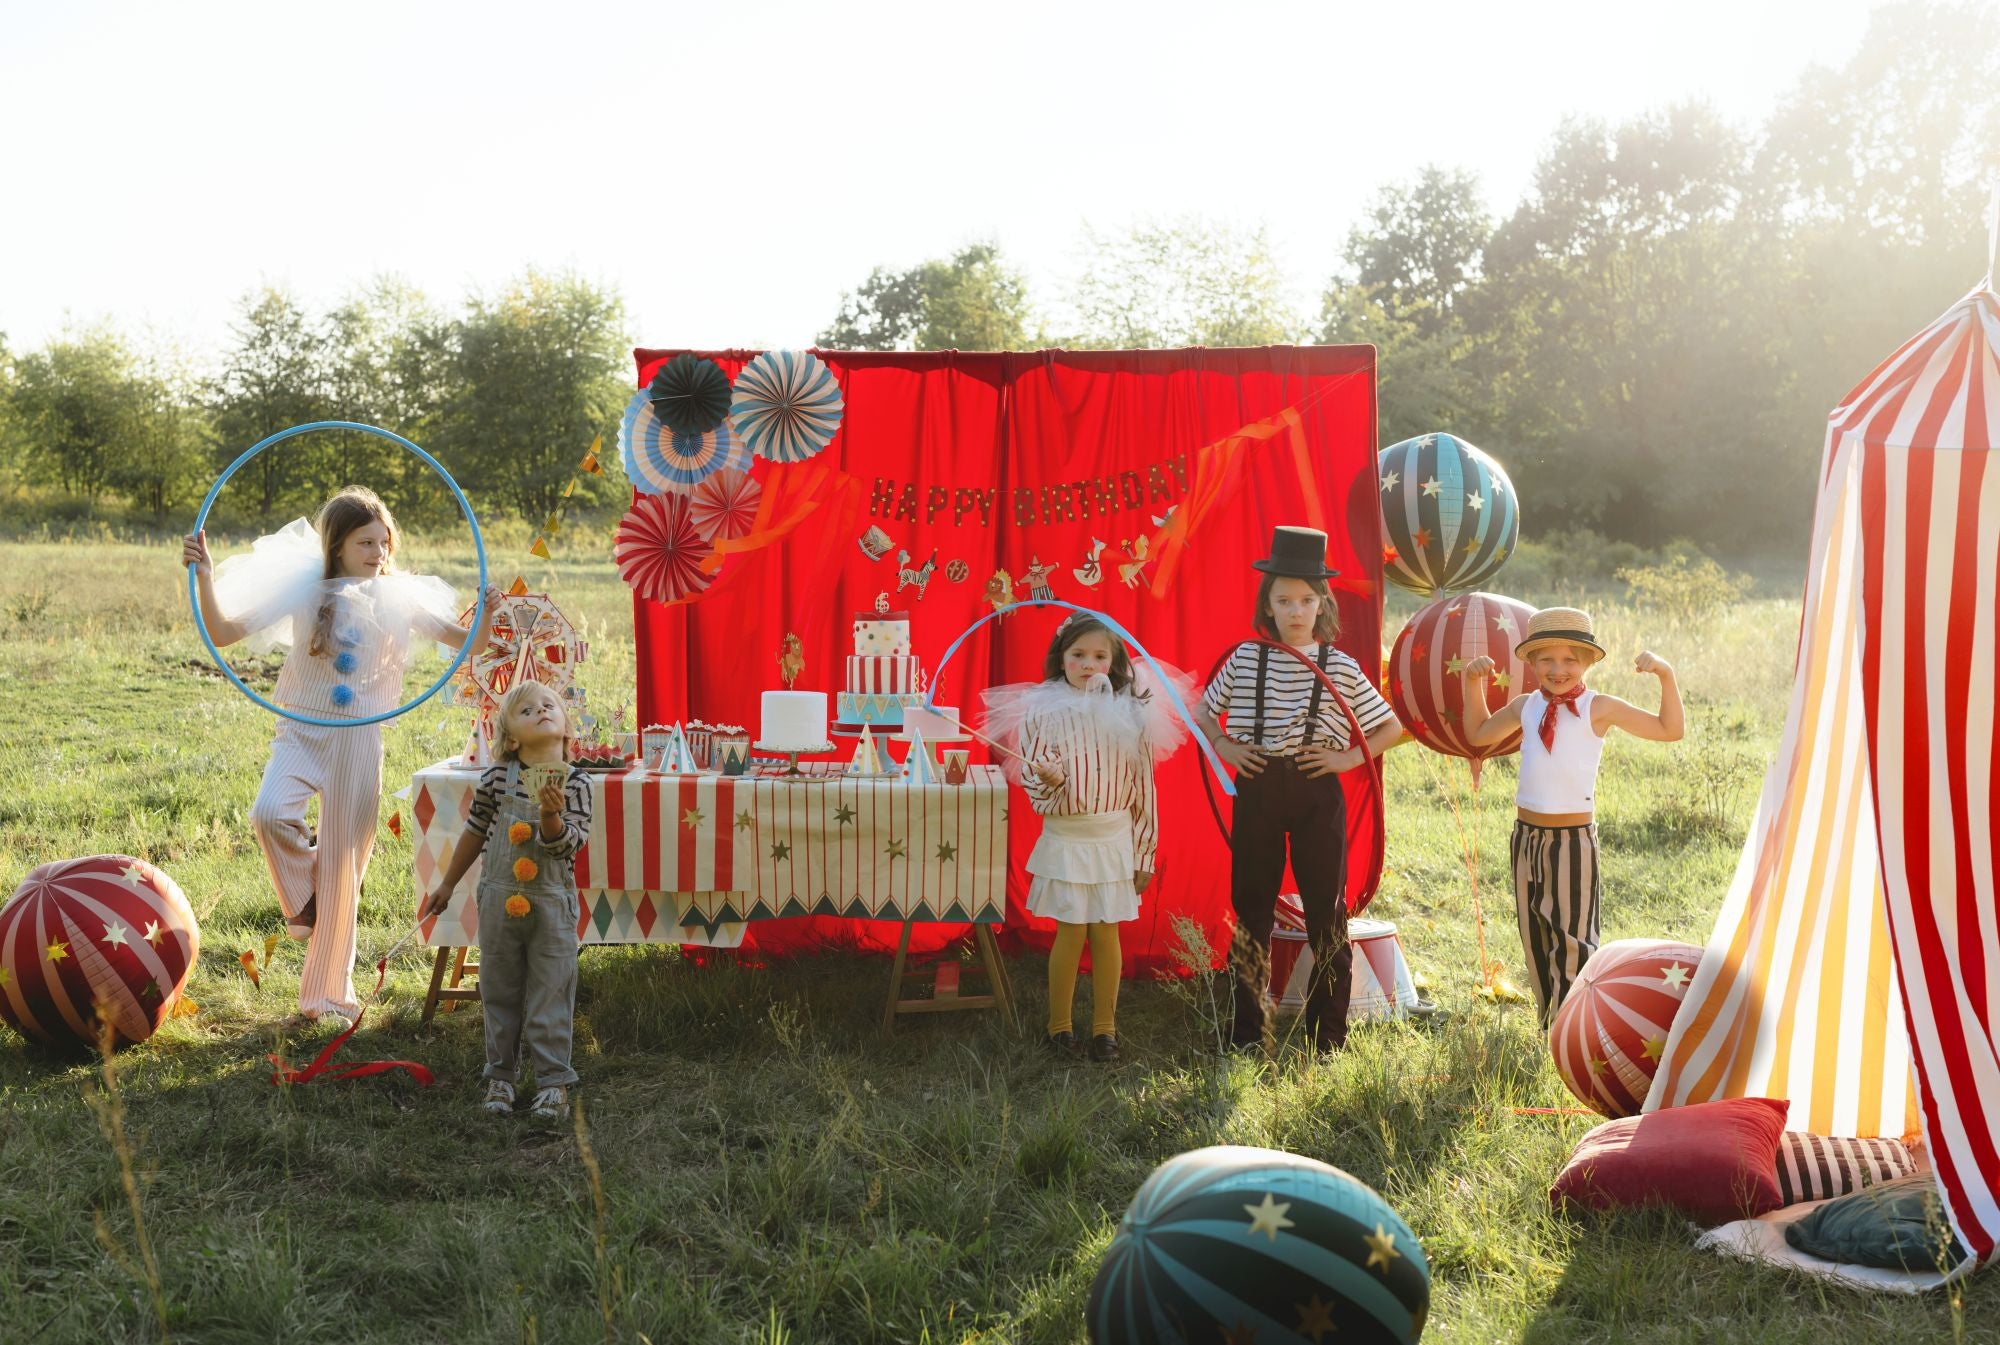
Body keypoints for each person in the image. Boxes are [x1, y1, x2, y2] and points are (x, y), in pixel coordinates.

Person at [185, 486, 499, 1029]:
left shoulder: (399, 596)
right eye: (365, 543)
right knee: (269, 813)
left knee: (342, 869)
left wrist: (489, 613)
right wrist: (205, 576)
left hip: (359, 738)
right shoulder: (306, 591)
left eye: (384, 542)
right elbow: (222, 631)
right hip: (302, 728)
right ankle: (302, 902)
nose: (378, 553)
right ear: (337, 545)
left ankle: (326, 997)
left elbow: (468, 643)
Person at [1195, 526, 1406, 1055]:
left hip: (1317, 792)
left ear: (1322, 604)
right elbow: (1201, 710)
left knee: (1326, 911)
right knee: (1252, 909)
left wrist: (1345, 757)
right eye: (1284, 600)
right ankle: (1248, 1033)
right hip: (1258, 787)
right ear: (1267, 604)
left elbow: (1391, 728)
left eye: (1306, 600)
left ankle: (1328, 1036)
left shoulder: (1341, 666)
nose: (1295, 610)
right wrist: (1224, 744)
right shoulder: (1244, 659)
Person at [983, 614, 1190, 1063]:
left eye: (1100, 656)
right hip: (1068, 837)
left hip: (1114, 838)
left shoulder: (1130, 711)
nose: (1088, 664)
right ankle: (1059, 1027)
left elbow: (1143, 789)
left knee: (1106, 931)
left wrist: (1145, 851)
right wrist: (1049, 780)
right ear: (1061, 658)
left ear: (1114, 662)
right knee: (1071, 930)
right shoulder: (1041, 708)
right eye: (1078, 655)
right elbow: (1036, 785)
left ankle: (1105, 1029)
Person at [1462, 606, 1684, 1025]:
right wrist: (1473, 683)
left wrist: (1665, 675)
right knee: (1534, 934)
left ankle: (1577, 1025)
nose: (1558, 669)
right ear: (1530, 662)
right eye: (1546, 658)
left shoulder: (1598, 707)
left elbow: (1669, 730)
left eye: (1570, 660)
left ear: (1587, 662)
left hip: (1572, 841)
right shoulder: (1526, 706)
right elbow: (1477, 733)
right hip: (1526, 838)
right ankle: (1549, 1023)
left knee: (1574, 940)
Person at [423, 680, 592, 1120]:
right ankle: (501, 1077)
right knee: (499, 989)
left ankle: (553, 1083)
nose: (541, 710)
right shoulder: (498, 777)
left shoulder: (578, 783)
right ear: (511, 738)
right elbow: (475, 831)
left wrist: (550, 817)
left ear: (567, 724)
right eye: (527, 709)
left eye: (549, 704)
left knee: (551, 991)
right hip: (499, 901)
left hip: (553, 905)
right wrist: (446, 884)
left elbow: (567, 846)